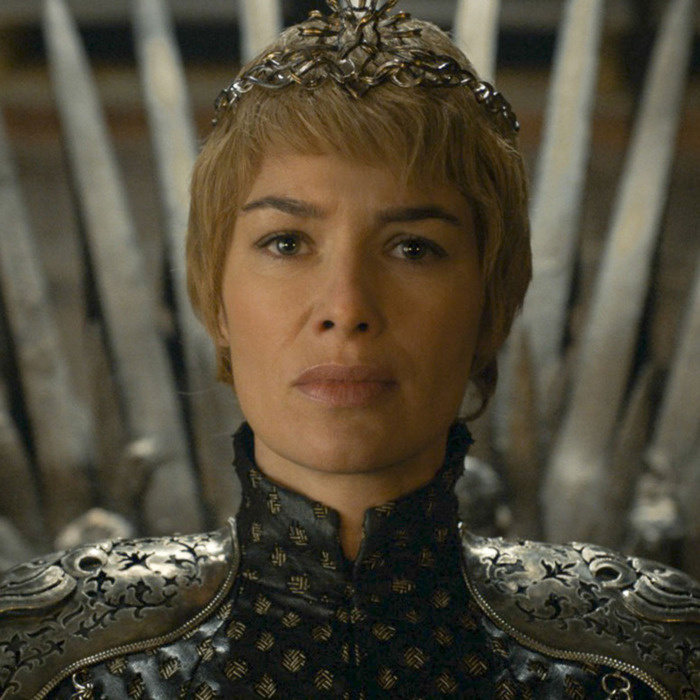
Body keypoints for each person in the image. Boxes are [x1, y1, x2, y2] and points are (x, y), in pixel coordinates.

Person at [1, 1, 699, 698]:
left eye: (412, 248)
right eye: (287, 243)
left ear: (492, 303)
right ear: (216, 298)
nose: (347, 307)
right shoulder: (44, 663)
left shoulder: (652, 665)